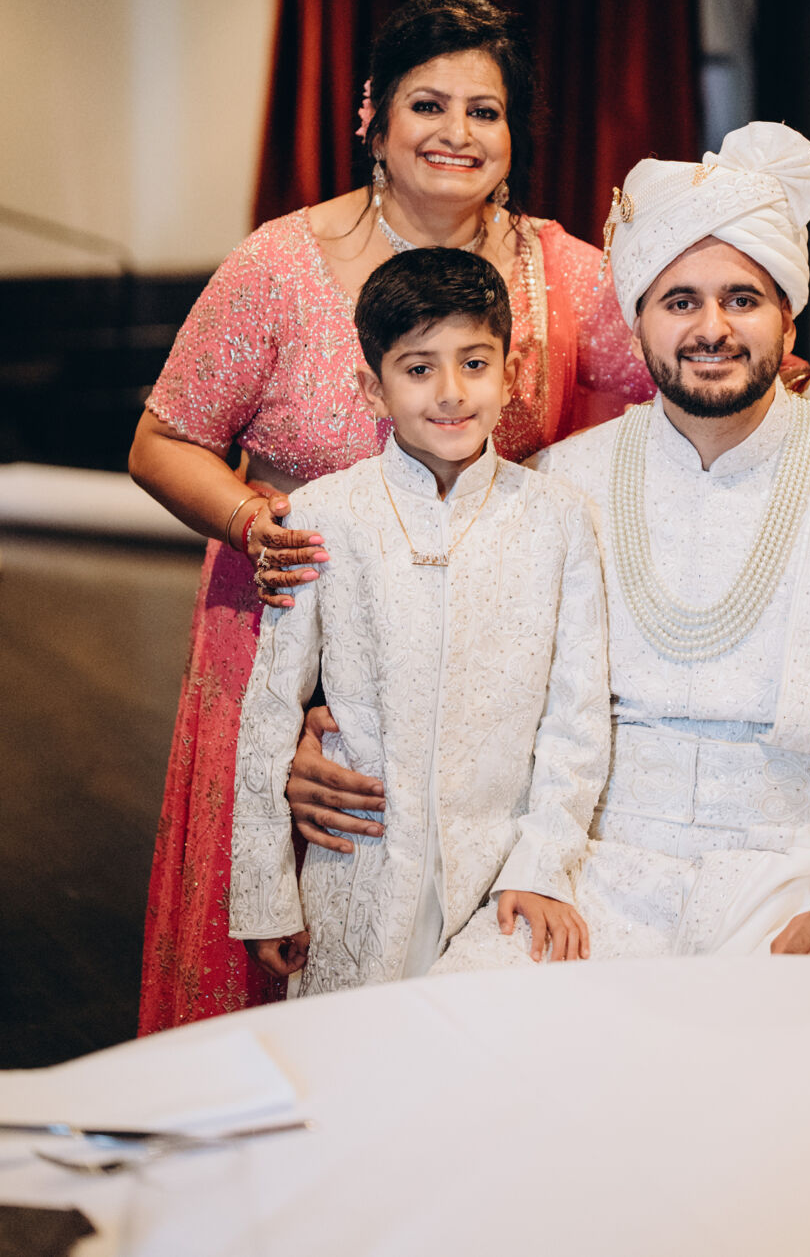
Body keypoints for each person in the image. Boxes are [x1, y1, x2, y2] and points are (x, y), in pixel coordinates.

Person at [131, 0, 651, 1032]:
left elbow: (682, 365)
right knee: (295, 972)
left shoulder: (557, 273)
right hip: (291, 637)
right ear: (372, 113)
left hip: (473, 686)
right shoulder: (281, 265)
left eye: (484, 110)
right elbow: (162, 439)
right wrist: (255, 525)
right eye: (428, 104)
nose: (457, 133)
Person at [424, 122, 810, 970]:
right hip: (583, 885)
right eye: (680, 302)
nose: (711, 329)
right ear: (637, 325)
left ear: (789, 321)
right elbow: (476, 714)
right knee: (461, 1031)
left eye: (742, 300)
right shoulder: (560, 483)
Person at [229, 249, 609, 991]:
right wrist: (266, 892)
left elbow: (579, 713)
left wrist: (542, 865)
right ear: (373, 388)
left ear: (511, 373)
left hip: (497, 875)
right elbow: (271, 710)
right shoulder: (323, 514)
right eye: (418, 368)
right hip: (356, 870)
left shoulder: (558, 518)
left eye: (475, 363)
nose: (451, 393)